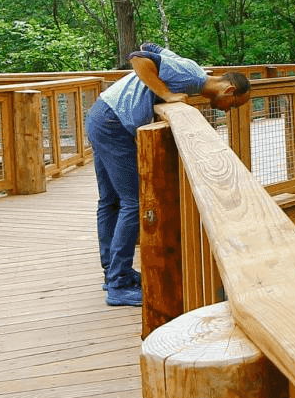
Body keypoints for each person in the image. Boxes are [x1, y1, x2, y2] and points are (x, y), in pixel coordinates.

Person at [86, 44, 250, 307]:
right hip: (113, 123)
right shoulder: (191, 75)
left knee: (111, 201)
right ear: (229, 90)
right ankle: (117, 284)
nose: (229, 110)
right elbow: (138, 58)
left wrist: (161, 78)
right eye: (234, 104)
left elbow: (151, 49)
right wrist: (166, 95)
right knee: (132, 203)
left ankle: (115, 274)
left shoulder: (192, 71)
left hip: (103, 114)